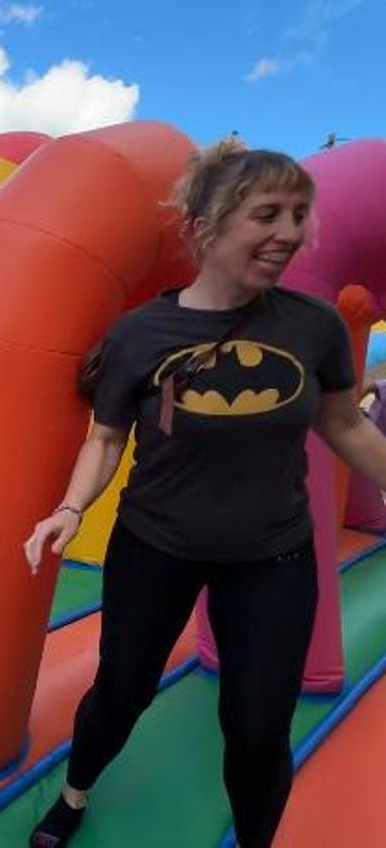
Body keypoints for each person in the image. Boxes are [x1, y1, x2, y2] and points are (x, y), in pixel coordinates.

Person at [21, 139, 386, 848]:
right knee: (119, 695)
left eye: (299, 214)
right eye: (267, 214)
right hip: (156, 545)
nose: (290, 233)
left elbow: (345, 425)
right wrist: (69, 509)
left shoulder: (312, 327)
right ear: (206, 225)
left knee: (257, 729)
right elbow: (105, 439)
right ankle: (75, 791)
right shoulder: (141, 334)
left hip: (274, 556)